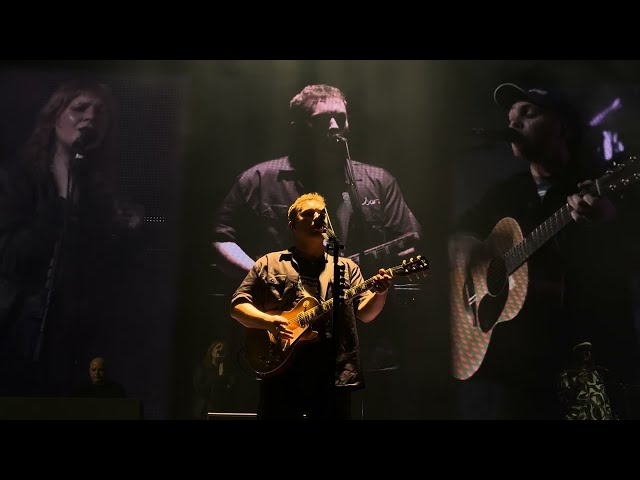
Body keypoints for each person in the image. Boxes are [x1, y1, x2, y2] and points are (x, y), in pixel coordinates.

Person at [450, 82, 640, 419]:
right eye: (510, 118)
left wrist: (609, 219)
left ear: (563, 127)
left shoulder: (597, 183)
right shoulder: (505, 194)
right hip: (521, 373)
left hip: (588, 356)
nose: (513, 124)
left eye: (528, 113)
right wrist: (464, 248)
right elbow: (455, 237)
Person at [0, 80, 143, 396]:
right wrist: (59, 206)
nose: (90, 117)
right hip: (19, 334)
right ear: (55, 117)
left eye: (100, 113)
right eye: (80, 108)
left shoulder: (101, 196)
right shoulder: (18, 179)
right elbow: (10, 256)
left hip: (77, 341)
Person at [212, 83, 422, 281]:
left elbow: (408, 240)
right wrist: (262, 279)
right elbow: (220, 240)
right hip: (280, 312)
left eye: (340, 118)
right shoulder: (257, 179)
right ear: (298, 127)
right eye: (322, 120)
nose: (333, 126)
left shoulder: (378, 181)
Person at [230, 192, 394, 420]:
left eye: (322, 213)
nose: (318, 217)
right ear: (292, 224)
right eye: (309, 214)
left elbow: (365, 314)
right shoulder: (269, 263)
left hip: (333, 373)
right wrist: (269, 322)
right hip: (282, 372)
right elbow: (238, 306)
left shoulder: (346, 267)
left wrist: (381, 293)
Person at [557, 341, 614, 420]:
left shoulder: (595, 373)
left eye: (589, 350)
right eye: (584, 350)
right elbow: (563, 402)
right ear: (577, 354)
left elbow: (605, 400)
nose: (588, 353)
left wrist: (608, 416)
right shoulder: (567, 375)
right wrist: (577, 384)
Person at [192, 339, 236, 419]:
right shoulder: (202, 367)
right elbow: (200, 388)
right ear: (211, 350)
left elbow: (230, 392)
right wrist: (219, 378)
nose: (221, 349)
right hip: (203, 411)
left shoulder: (229, 372)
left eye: (224, 349)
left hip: (221, 411)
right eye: (218, 347)